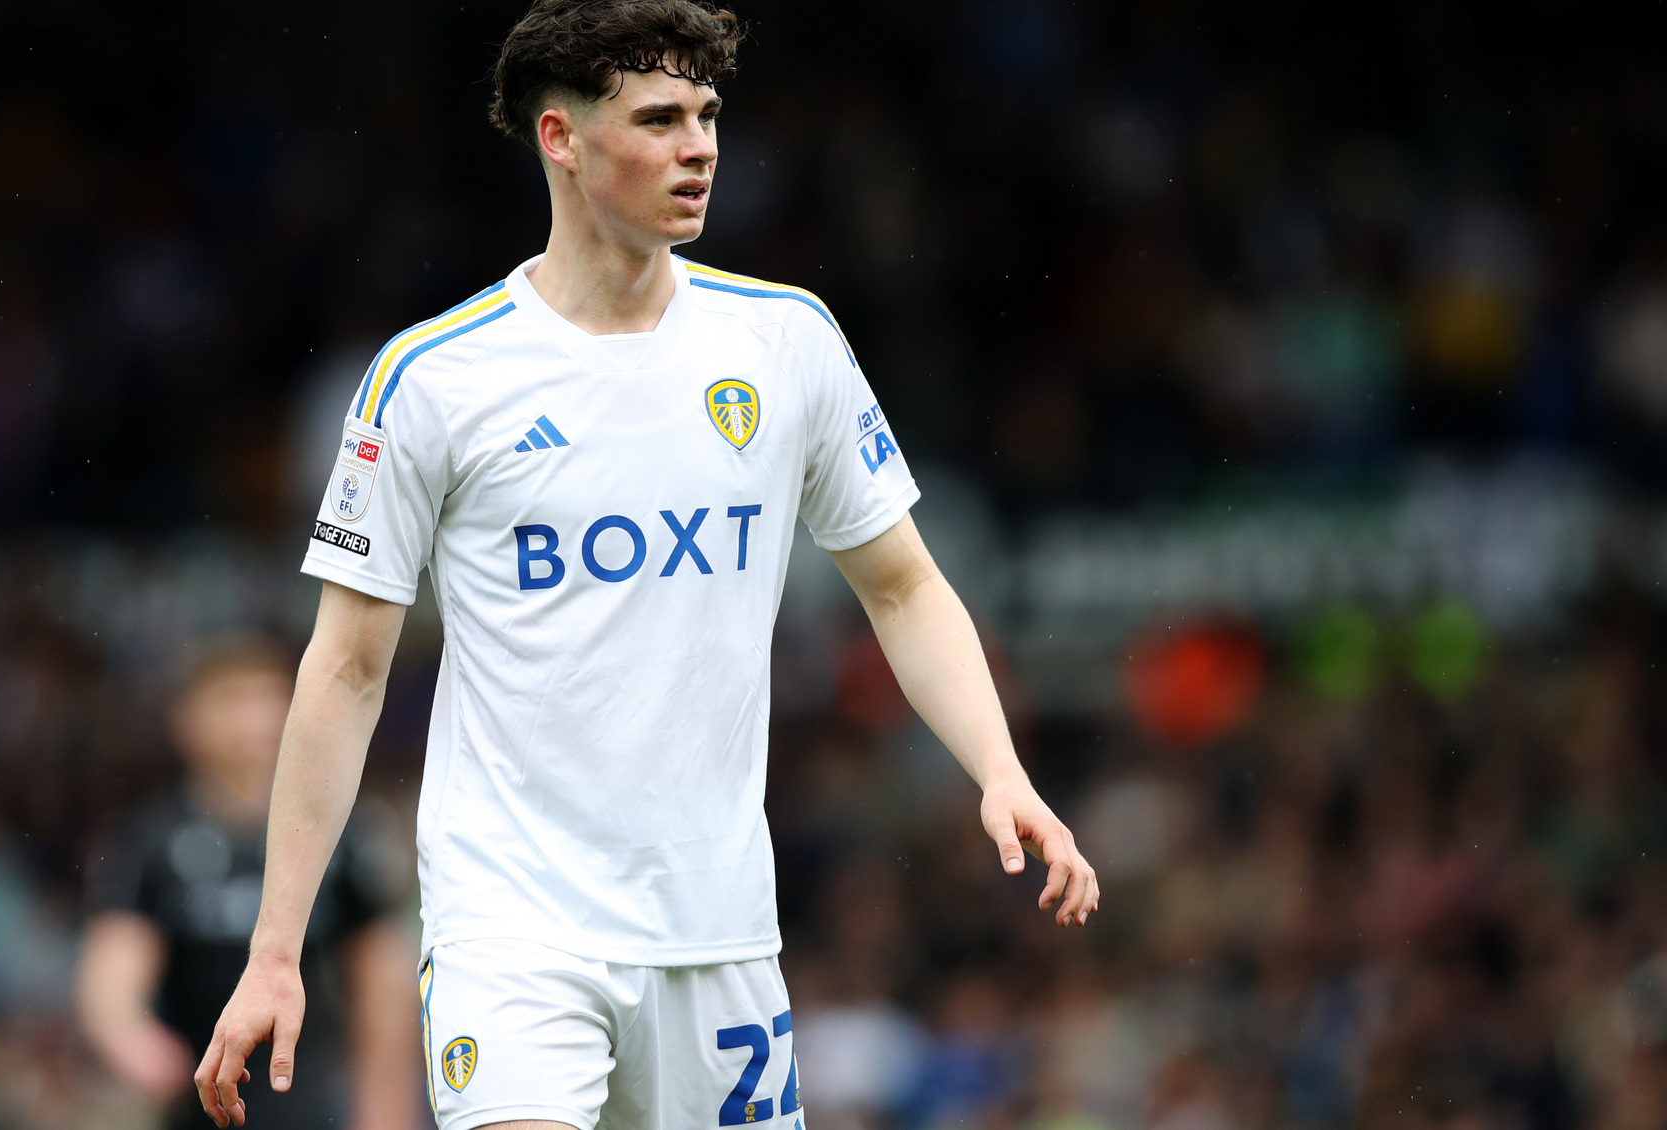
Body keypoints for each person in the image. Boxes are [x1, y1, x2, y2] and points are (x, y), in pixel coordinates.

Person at [196, 1, 1100, 1127]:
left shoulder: (786, 343)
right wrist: (276, 948)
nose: (700, 146)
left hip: (717, 933)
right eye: (660, 118)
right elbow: (345, 668)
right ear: (561, 140)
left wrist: (1000, 769)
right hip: (512, 930)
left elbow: (903, 584)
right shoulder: (433, 379)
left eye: (708, 115)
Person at [79, 638, 419, 1130]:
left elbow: (382, 979)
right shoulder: (151, 840)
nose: (254, 720)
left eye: (267, 698)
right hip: (192, 1102)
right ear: (188, 721)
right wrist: (130, 1038)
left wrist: (384, 1105)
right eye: (232, 699)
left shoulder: (344, 834)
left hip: (312, 1104)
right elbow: (114, 964)